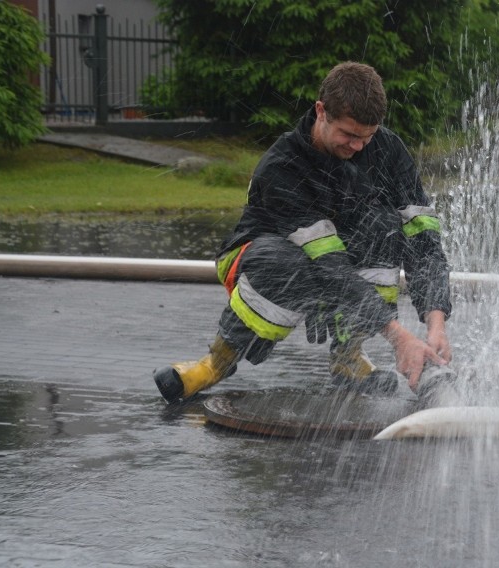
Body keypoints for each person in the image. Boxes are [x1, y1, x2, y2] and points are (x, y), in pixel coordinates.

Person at [153, 62, 453, 404]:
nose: (357, 146)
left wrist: (436, 322)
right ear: (321, 110)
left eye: (366, 137)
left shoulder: (388, 150)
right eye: (348, 135)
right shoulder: (282, 166)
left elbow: (423, 237)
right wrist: (399, 338)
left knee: (384, 228)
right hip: (260, 260)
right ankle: (216, 363)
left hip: (333, 263)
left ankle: (348, 357)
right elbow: (328, 264)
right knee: (286, 260)